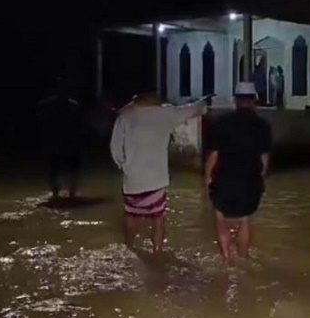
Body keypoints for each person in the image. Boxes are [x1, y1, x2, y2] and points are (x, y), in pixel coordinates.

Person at [110, 88, 209, 253]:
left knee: (131, 214)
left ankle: (129, 248)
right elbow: (192, 109)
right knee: (157, 217)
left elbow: (115, 149)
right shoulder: (166, 113)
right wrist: (204, 101)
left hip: (132, 178)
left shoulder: (125, 116)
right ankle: (157, 252)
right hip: (156, 179)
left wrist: (125, 166)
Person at [204, 82, 272, 263]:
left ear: (236, 100)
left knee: (220, 218)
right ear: (254, 101)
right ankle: (243, 259)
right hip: (250, 180)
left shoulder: (222, 122)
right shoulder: (262, 125)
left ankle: (227, 259)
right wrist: (261, 179)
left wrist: (207, 177)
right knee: (244, 220)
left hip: (224, 179)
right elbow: (264, 158)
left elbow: (214, 154)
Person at [37, 78, 83, 198]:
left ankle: (57, 194)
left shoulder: (45, 106)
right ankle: (70, 194)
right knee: (71, 171)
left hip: (55, 143)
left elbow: (41, 126)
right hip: (68, 144)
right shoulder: (74, 106)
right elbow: (79, 126)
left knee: (55, 171)